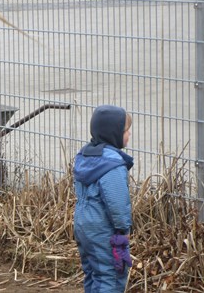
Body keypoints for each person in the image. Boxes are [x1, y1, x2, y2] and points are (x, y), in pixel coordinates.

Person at [73, 105, 134, 292]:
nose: (129, 134)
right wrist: (124, 229)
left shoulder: (85, 156)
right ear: (113, 133)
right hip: (104, 230)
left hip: (83, 226)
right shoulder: (113, 165)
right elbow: (117, 202)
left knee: (92, 271)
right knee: (110, 275)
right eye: (126, 130)